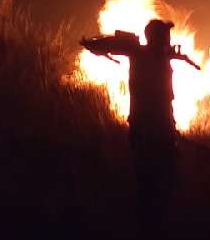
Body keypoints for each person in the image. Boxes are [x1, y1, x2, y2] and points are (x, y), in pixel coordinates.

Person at [80, 19, 199, 237]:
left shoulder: (159, 56)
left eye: (168, 36)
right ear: (153, 37)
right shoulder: (138, 52)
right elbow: (104, 45)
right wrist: (98, 43)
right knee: (149, 186)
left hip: (164, 131)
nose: (168, 39)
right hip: (146, 131)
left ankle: (159, 226)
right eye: (164, 35)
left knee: (166, 185)